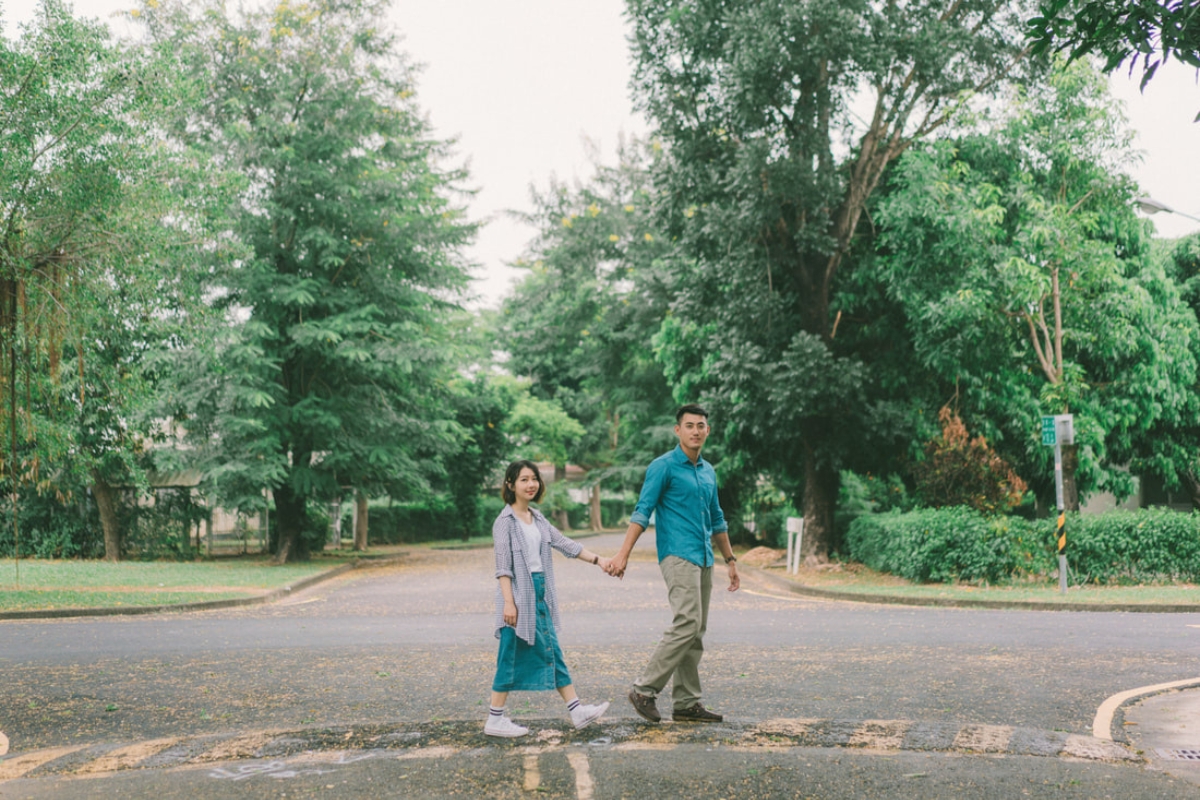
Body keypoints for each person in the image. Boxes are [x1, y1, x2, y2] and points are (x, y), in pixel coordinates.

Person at [606, 404, 739, 724]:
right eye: (689, 425)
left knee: (696, 632)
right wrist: (622, 554)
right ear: (677, 430)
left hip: (705, 556)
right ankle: (644, 690)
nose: (696, 430)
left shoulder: (708, 470)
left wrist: (730, 560)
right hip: (677, 555)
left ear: (708, 431)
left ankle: (687, 703)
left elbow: (717, 518)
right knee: (687, 623)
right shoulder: (663, 466)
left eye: (701, 425)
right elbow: (642, 510)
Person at [485, 459, 612, 738]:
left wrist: (599, 561)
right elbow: (503, 567)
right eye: (523, 479)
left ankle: (576, 710)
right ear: (510, 484)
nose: (531, 484)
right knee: (509, 654)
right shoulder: (504, 522)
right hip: (517, 595)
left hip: (540, 592)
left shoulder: (538, 518)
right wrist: (509, 602)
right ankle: (495, 719)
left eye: (534, 479)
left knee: (552, 650)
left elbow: (565, 544)